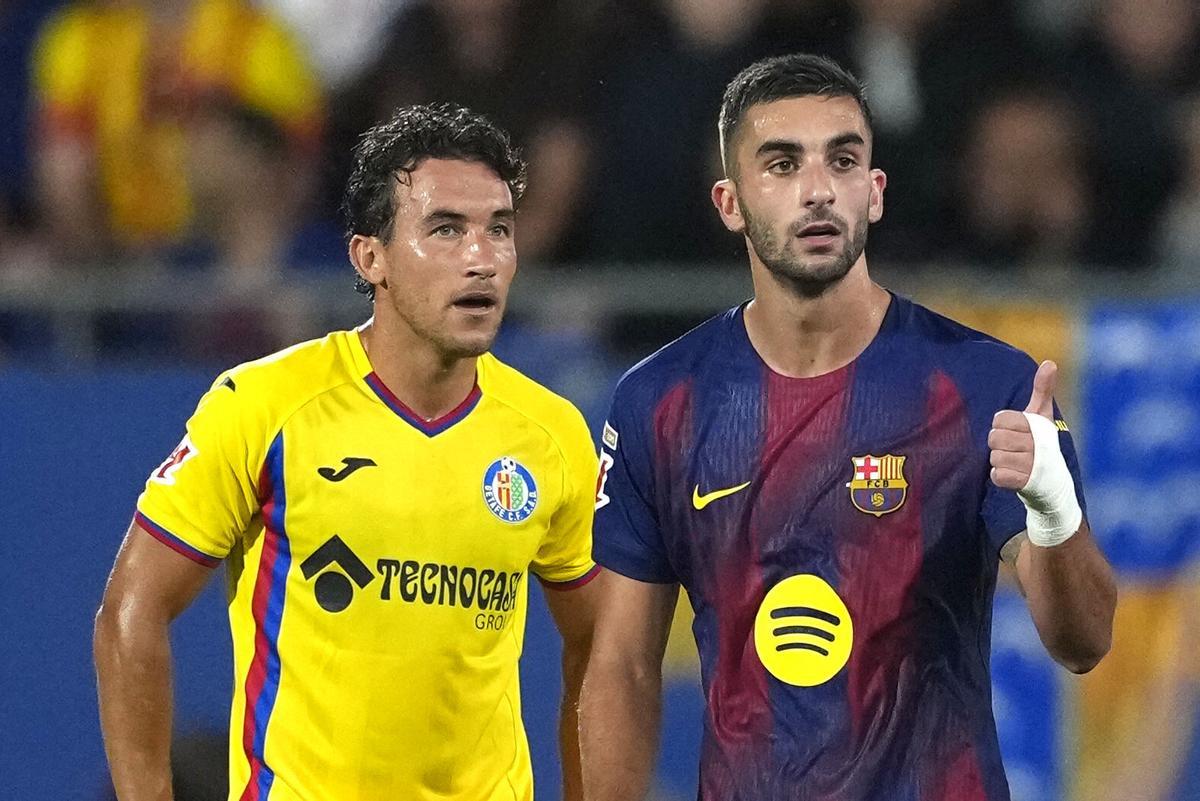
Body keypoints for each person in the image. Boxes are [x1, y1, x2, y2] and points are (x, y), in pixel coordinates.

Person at [579, 54, 1117, 800]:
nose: (818, 189)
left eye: (843, 159)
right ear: (730, 203)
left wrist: (1055, 516)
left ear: (875, 192)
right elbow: (624, 666)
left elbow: (1084, 643)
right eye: (782, 163)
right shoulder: (660, 402)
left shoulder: (987, 386)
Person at [94, 103, 604, 801]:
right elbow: (132, 610)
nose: (481, 258)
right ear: (371, 256)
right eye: (446, 229)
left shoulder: (550, 433)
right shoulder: (265, 405)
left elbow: (599, 648)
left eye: (499, 229)